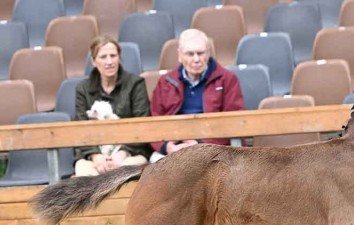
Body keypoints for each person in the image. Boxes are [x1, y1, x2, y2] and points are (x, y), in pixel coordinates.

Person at [150, 29, 244, 158]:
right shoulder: (165, 81)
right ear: (180, 55)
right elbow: (154, 121)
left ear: (208, 53)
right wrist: (166, 146)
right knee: (155, 162)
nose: (196, 59)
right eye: (190, 54)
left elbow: (233, 123)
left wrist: (200, 144)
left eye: (200, 53)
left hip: (213, 149)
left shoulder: (227, 79)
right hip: (174, 147)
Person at [74, 35, 151, 176]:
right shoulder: (82, 89)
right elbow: (81, 129)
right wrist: (96, 156)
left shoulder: (135, 84)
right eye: (103, 57)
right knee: (83, 171)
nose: (109, 61)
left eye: (113, 56)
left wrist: (123, 153)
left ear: (119, 58)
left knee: (127, 170)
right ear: (94, 61)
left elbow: (142, 125)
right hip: (94, 156)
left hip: (129, 153)